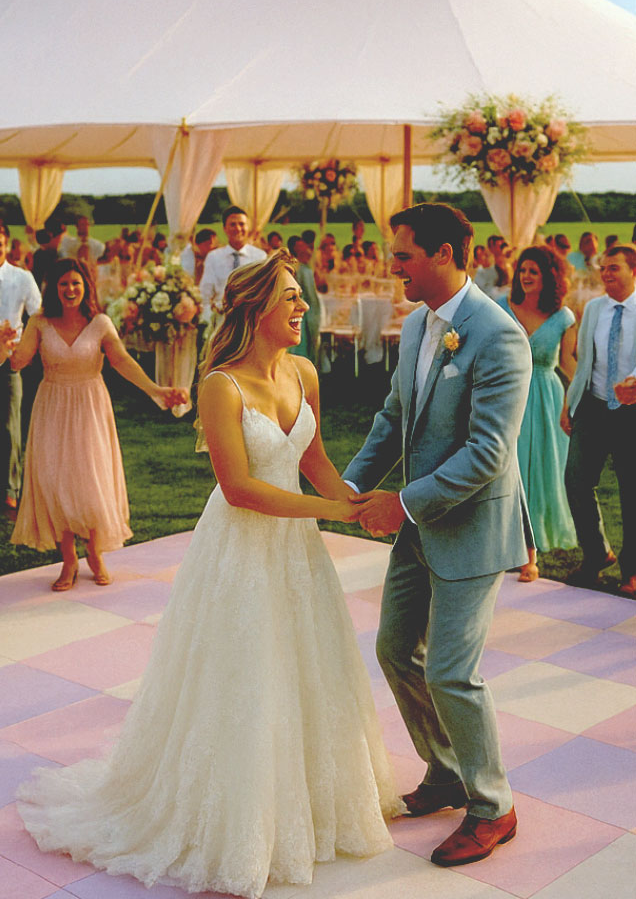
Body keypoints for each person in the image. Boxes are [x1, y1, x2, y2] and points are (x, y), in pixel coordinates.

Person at [16, 250, 400, 899]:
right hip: (241, 551)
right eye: (290, 299)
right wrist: (335, 511)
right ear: (254, 309)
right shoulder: (221, 385)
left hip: (297, 552)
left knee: (304, 668)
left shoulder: (304, 371)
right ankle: (235, 824)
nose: (303, 307)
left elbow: (315, 460)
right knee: (246, 676)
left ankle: (303, 809)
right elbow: (242, 488)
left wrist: (360, 506)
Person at [343, 202, 532, 867]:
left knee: (453, 672)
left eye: (403, 255)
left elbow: (487, 453)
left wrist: (401, 504)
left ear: (446, 253)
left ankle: (493, 805)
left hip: (474, 528)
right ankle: (446, 770)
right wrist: (342, 492)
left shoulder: (499, 335)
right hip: (420, 526)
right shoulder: (421, 322)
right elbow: (392, 417)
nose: (393, 266)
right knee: (396, 652)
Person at [7, 259, 186, 590]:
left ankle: (94, 552)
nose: (70, 290)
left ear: (86, 285)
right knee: (55, 480)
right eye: (63, 284)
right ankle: (69, 560)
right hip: (52, 406)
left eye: (76, 283)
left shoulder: (100, 323)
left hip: (90, 406)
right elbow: (18, 361)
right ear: (53, 288)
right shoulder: (40, 322)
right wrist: (5, 345)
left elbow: (121, 361)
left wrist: (157, 390)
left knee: (91, 479)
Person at [498, 246, 578, 579]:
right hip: (506, 396)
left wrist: (572, 404)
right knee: (504, 470)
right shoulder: (500, 308)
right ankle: (501, 544)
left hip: (546, 397)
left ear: (549, 276)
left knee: (538, 474)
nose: (526, 276)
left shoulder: (563, 316)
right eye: (523, 270)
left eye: (534, 271)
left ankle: (529, 555)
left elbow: (571, 363)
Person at [562, 243, 636, 597]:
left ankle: (632, 571)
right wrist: (569, 403)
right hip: (591, 405)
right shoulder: (592, 309)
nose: (606, 274)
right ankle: (596, 555)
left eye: (614, 268)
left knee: (631, 492)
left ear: (633, 270)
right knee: (575, 481)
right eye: (603, 268)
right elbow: (584, 360)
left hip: (631, 412)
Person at [0, 227, 41, 514]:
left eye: (0, 244)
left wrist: (21, 345)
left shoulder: (21, 278)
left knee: (10, 426)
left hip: (9, 361)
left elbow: (39, 316)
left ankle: (10, 490)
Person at [199, 206, 265, 320]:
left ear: (248, 227)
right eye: (233, 224)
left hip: (252, 320)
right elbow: (205, 294)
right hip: (222, 320)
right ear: (224, 228)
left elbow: (265, 293)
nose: (238, 228)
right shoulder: (213, 257)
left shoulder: (260, 257)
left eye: (242, 224)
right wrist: (209, 319)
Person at [287, 233, 321, 364]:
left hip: (311, 308)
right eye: (300, 247)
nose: (305, 250)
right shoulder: (295, 268)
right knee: (302, 343)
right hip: (301, 310)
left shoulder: (307, 267)